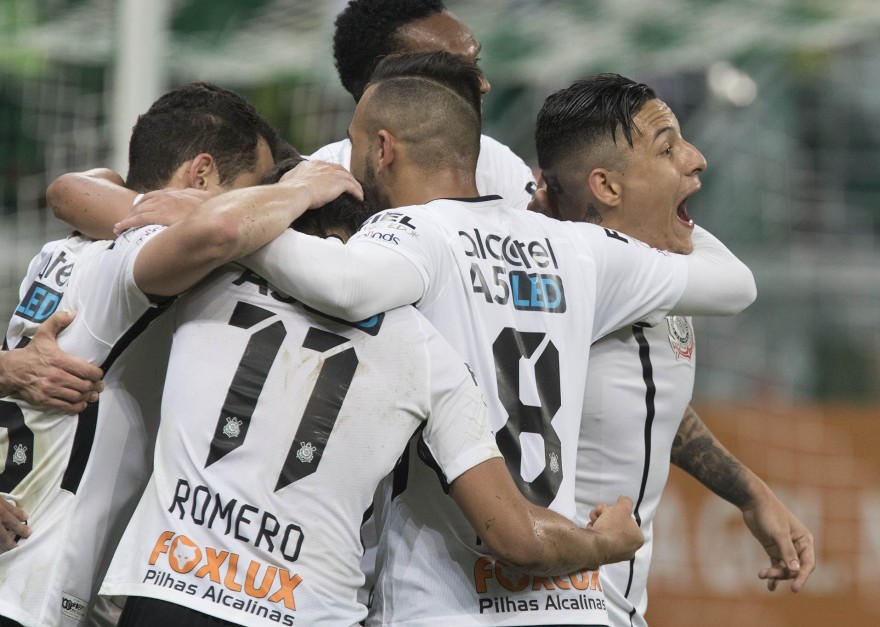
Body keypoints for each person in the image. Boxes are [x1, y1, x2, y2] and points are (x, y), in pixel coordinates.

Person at [131, 51, 753, 625]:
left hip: (442, 597)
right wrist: (668, 218)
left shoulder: (413, 234)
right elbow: (734, 285)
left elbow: (343, 284)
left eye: (352, 147)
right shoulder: (579, 247)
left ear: (382, 149)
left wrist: (210, 220)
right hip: (561, 594)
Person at [95, 157, 645, 627]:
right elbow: (517, 540)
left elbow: (75, 195)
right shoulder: (430, 351)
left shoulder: (203, 269)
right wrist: (607, 545)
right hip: (312, 610)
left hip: (172, 587)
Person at [0, 81, 315, 627]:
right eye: (249, 187)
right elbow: (218, 230)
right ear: (202, 175)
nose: (255, 202)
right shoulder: (137, 253)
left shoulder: (63, 248)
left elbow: (82, 187)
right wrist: (307, 188)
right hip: (39, 582)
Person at [532, 73, 816, 626]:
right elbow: (739, 285)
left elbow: (645, 396)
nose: (696, 158)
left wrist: (749, 491)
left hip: (592, 601)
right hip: (567, 603)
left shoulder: (638, 262)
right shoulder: (603, 260)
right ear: (607, 188)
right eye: (667, 148)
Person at [309, 0, 536, 209]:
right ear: (380, 91)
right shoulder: (315, 187)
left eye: (475, 62)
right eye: (454, 73)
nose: (483, 85)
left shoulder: (496, 160)